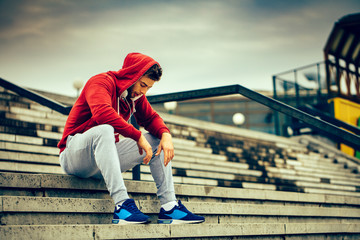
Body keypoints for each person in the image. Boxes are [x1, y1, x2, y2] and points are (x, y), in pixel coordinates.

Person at [57, 52, 205, 225]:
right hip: (74, 156)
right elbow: (102, 113)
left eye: (148, 88)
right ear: (131, 75)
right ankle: (122, 206)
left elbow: (151, 118)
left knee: (156, 141)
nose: (143, 91)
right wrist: (136, 135)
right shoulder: (100, 82)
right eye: (142, 85)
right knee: (105, 129)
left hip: (101, 165)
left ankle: (169, 207)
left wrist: (166, 134)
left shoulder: (134, 96)